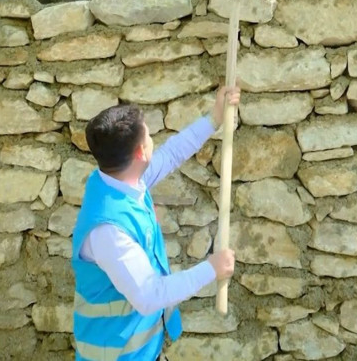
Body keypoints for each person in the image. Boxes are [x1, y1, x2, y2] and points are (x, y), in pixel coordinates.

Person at [72, 85, 239, 360]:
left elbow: (171, 155)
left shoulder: (117, 179)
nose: (153, 140)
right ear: (139, 153)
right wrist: (211, 269)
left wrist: (214, 119)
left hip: (138, 348)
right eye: (148, 136)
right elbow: (149, 296)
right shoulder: (109, 232)